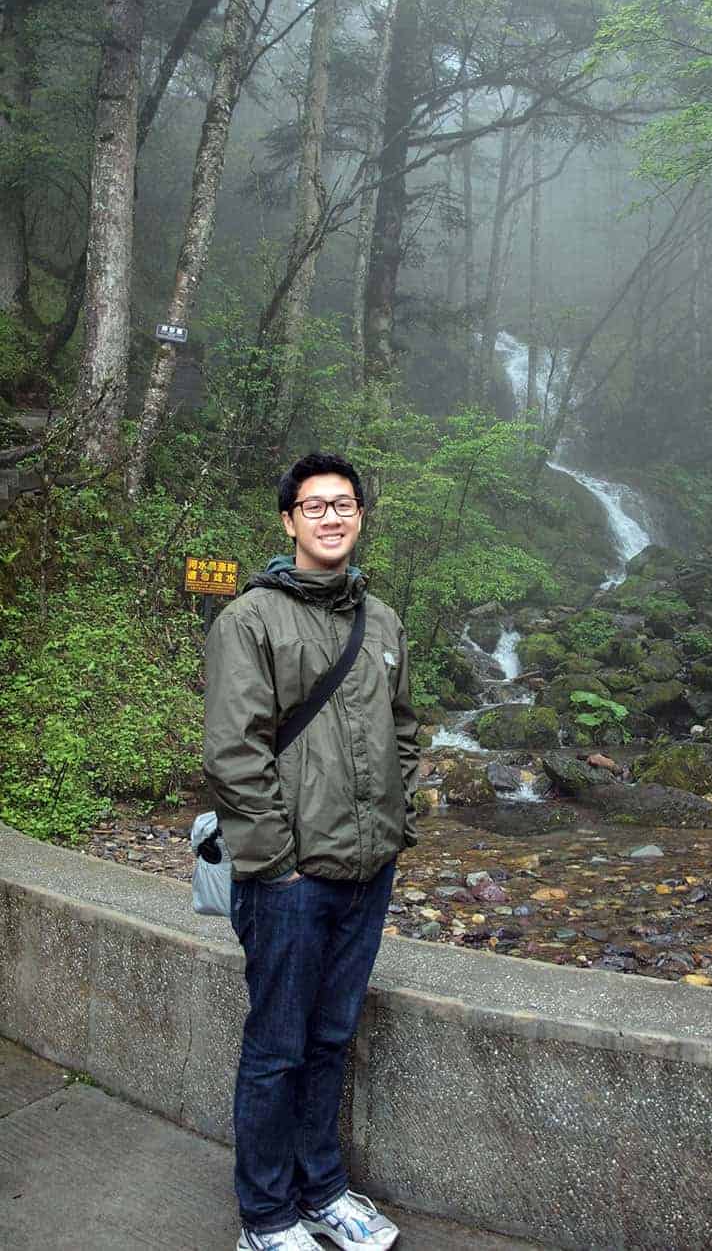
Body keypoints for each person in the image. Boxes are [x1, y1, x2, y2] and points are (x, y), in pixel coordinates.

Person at [204, 452, 419, 1251]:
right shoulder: (250, 620)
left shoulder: (385, 620)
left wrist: (398, 821)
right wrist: (277, 860)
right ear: (289, 520)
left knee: (332, 1038)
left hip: (369, 869)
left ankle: (323, 1188)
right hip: (290, 878)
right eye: (315, 504)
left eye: (346, 504)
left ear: (361, 516)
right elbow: (234, 751)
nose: (333, 516)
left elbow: (404, 729)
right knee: (277, 1047)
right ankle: (265, 1215)